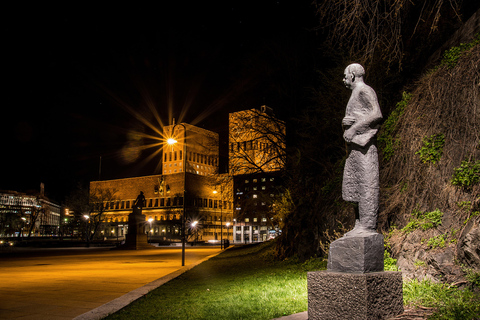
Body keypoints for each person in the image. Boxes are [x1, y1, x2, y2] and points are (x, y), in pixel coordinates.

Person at [341, 63, 383, 236]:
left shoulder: (364, 90)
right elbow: (360, 115)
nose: (344, 80)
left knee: (366, 184)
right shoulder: (354, 94)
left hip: (365, 146)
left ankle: (367, 225)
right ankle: (359, 223)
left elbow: (376, 114)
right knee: (355, 186)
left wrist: (353, 129)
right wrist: (346, 123)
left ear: (352, 75)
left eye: (345, 76)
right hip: (355, 147)